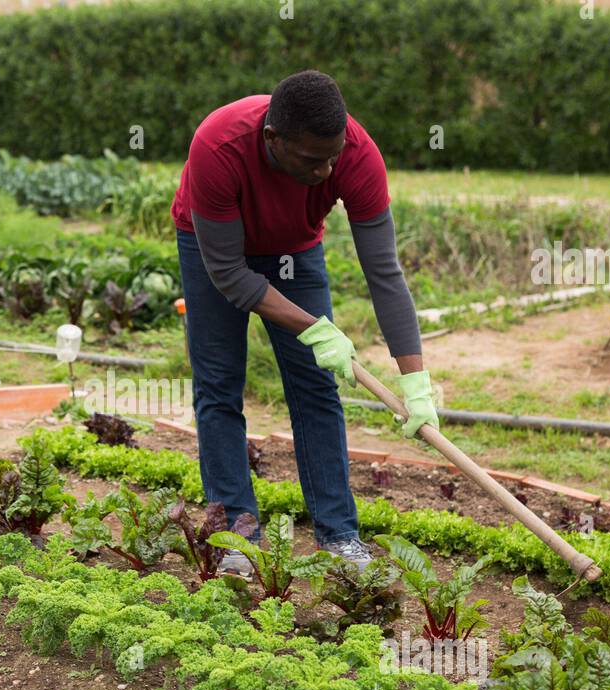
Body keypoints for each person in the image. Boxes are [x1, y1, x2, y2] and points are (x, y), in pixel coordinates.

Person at [170, 69, 438, 575]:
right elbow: (230, 273)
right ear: (273, 138)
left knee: (317, 386)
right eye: (314, 160)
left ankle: (339, 535)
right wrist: (314, 327)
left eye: (333, 155)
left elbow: (384, 272)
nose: (326, 169)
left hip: (295, 250)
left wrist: (415, 380)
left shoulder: (356, 156)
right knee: (220, 385)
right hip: (214, 250)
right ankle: (236, 534)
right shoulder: (218, 144)